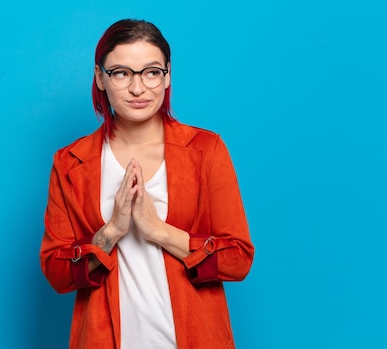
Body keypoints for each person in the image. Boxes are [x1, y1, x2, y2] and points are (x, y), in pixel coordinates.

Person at [40, 19, 255, 349]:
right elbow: (56, 271)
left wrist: (159, 231)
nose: (137, 88)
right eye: (121, 73)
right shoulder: (71, 162)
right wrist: (110, 232)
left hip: (193, 338)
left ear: (167, 75)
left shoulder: (205, 150)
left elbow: (238, 258)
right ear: (100, 77)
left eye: (151, 72)